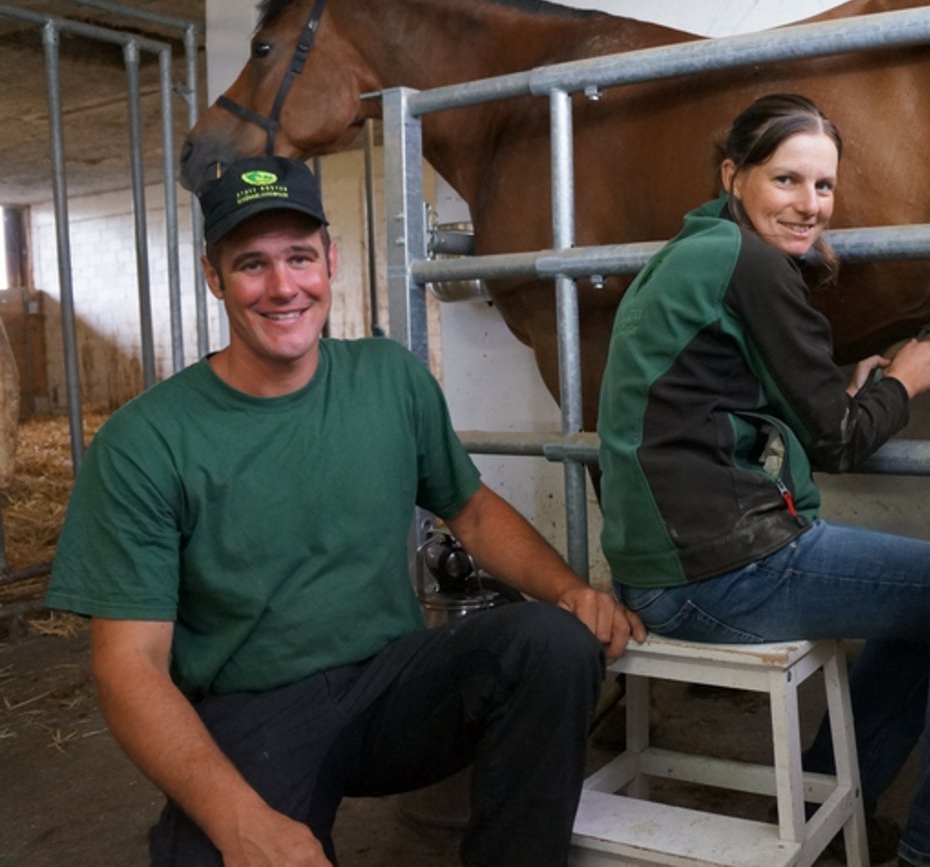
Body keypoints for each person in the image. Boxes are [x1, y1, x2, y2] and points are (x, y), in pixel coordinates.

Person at [45, 154, 645, 867]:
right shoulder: (145, 442)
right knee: (213, 855)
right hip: (256, 707)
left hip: (393, 682)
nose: (283, 287)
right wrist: (240, 823)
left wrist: (571, 589)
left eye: (300, 257)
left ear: (330, 260)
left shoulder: (388, 377)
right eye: (251, 264)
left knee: (553, 643)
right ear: (213, 276)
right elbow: (130, 666)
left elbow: (473, 510)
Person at [596, 93, 930, 867]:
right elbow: (840, 440)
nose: (809, 207)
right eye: (786, 181)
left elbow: (738, 389)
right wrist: (905, 381)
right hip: (715, 572)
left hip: (670, 559)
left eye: (823, 187)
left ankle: (829, 801)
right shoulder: (754, 265)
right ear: (735, 175)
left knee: (926, 610)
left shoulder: (696, 249)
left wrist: (847, 385)